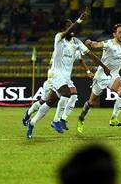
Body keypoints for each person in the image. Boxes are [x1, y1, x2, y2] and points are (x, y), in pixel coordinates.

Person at [25, 12, 109, 140]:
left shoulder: (76, 42)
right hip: (55, 74)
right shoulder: (59, 38)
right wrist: (79, 20)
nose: (72, 28)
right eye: (69, 26)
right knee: (66, 93)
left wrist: (104, 66)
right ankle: (56, 120)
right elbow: (69, 30)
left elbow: (91, 55)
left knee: (50, 102)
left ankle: (32, 123)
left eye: (72, 26)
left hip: (65, 77)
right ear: (63, 29)